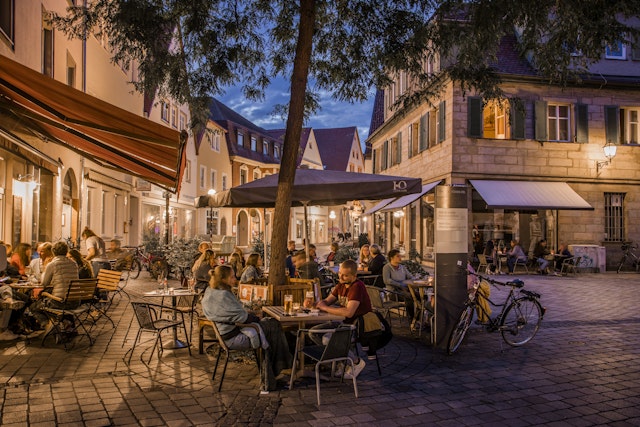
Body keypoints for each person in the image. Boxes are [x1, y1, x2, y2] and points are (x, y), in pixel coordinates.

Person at [201, 265, 292, 391]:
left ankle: (277, 371)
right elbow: (242, 318)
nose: (235, 279)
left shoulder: (212, 292)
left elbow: (235, 314)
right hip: (233, 338)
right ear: (223, 279)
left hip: (224, 334)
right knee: (273, 326)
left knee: (271, 325)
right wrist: (257, 318)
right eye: (232, 277)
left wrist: (253, 315)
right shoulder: (223, 296)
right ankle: (276, 373)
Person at [314, 259, 371, 379]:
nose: (341, 277)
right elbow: (328, 301)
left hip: (356, 326)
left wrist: (325, 308)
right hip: (342, 323)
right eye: (340, 273)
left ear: (354, 276)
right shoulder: (341, 285)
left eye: (345, 275)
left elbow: (349, 313)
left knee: (326, 338)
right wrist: (317, 303)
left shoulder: (357, 287)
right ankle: (341, 363)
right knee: (313, 333)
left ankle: (355, 362)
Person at [29, 241, 79, 329]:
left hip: (60, 302)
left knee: (34, 307)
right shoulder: (74, 264)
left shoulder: (52, 264)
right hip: (75, 301)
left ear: (53, 252)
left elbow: (44, 283)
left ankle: (49, 326)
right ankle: (64, 323)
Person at [382, 249, 416, 322]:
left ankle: (420, 319)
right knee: (409, 297)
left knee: (422, 296)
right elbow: (387, 280)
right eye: (398, 256)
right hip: (393, 292)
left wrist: (416, 279)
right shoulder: (387, 268)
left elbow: (410, 276)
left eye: (400, 256)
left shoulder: (402, 267)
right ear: (391, 258)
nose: (400, 258)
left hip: (405, 289)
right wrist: (400, 284)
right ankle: (412, 320)